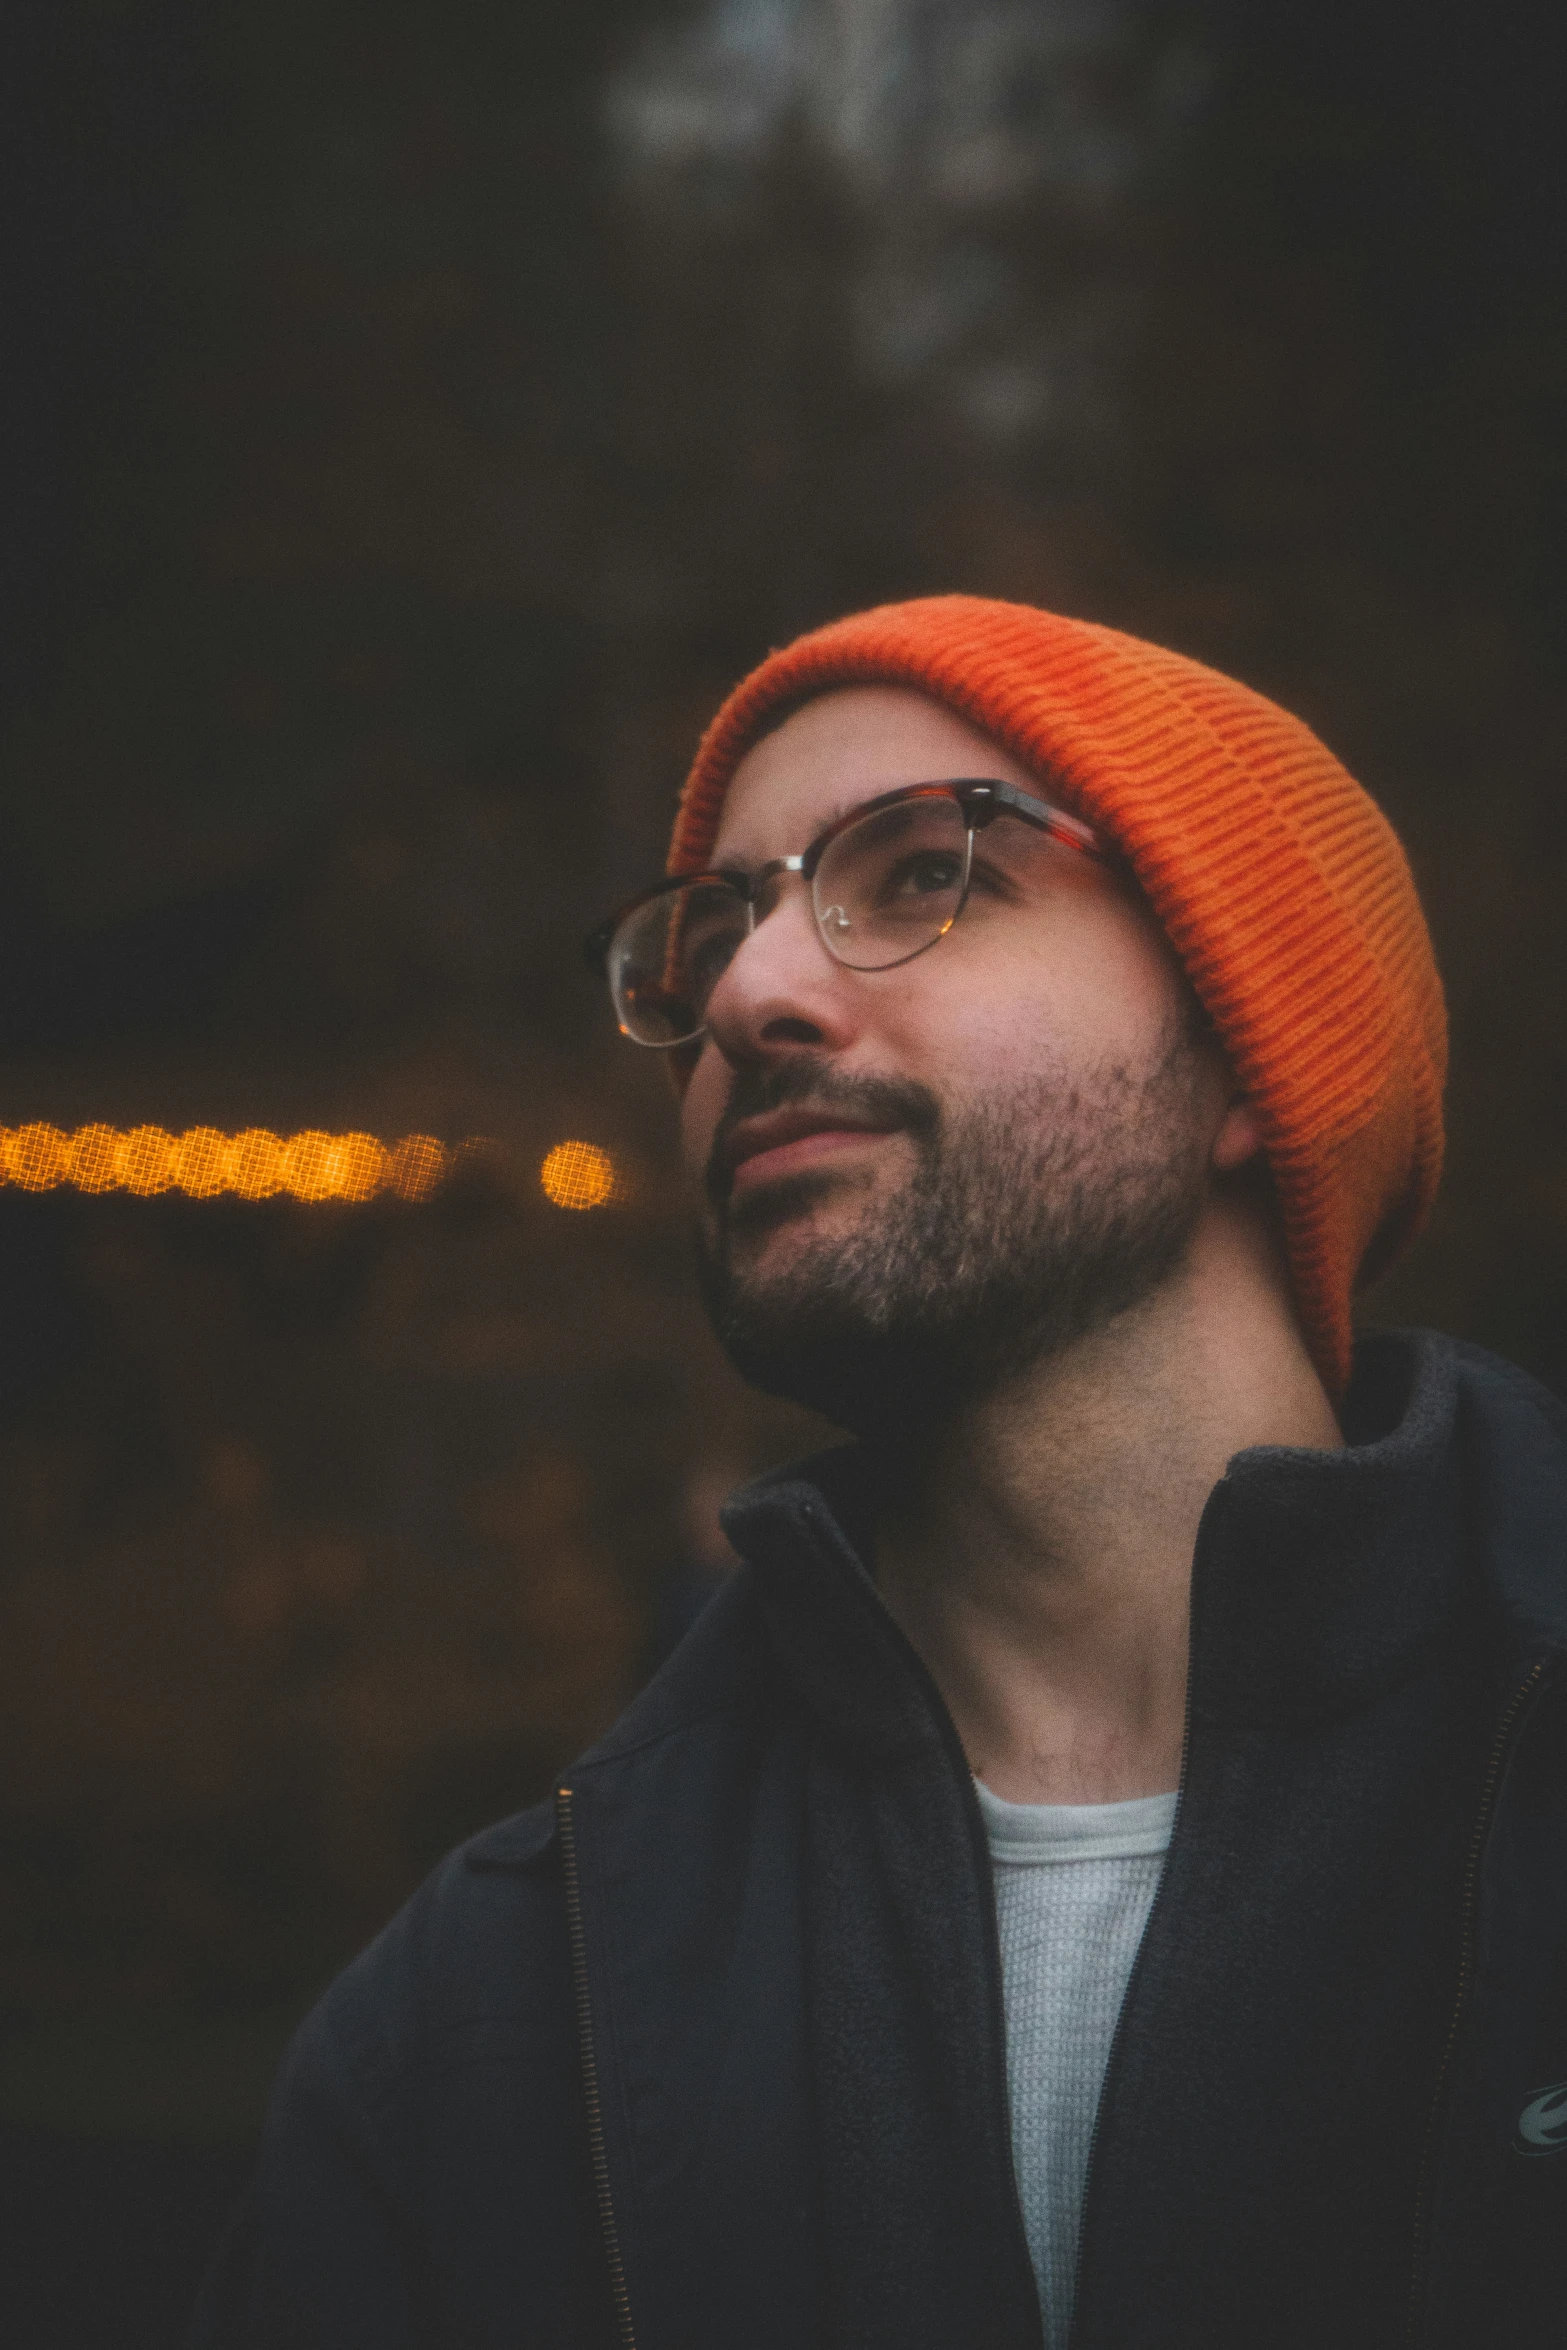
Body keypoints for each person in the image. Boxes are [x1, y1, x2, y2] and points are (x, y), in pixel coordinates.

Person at [191, 597, 1567, 2350]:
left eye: (924, 875)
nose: (747, 998)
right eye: (714, 935)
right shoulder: (497, 2007)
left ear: (1246, 1041)